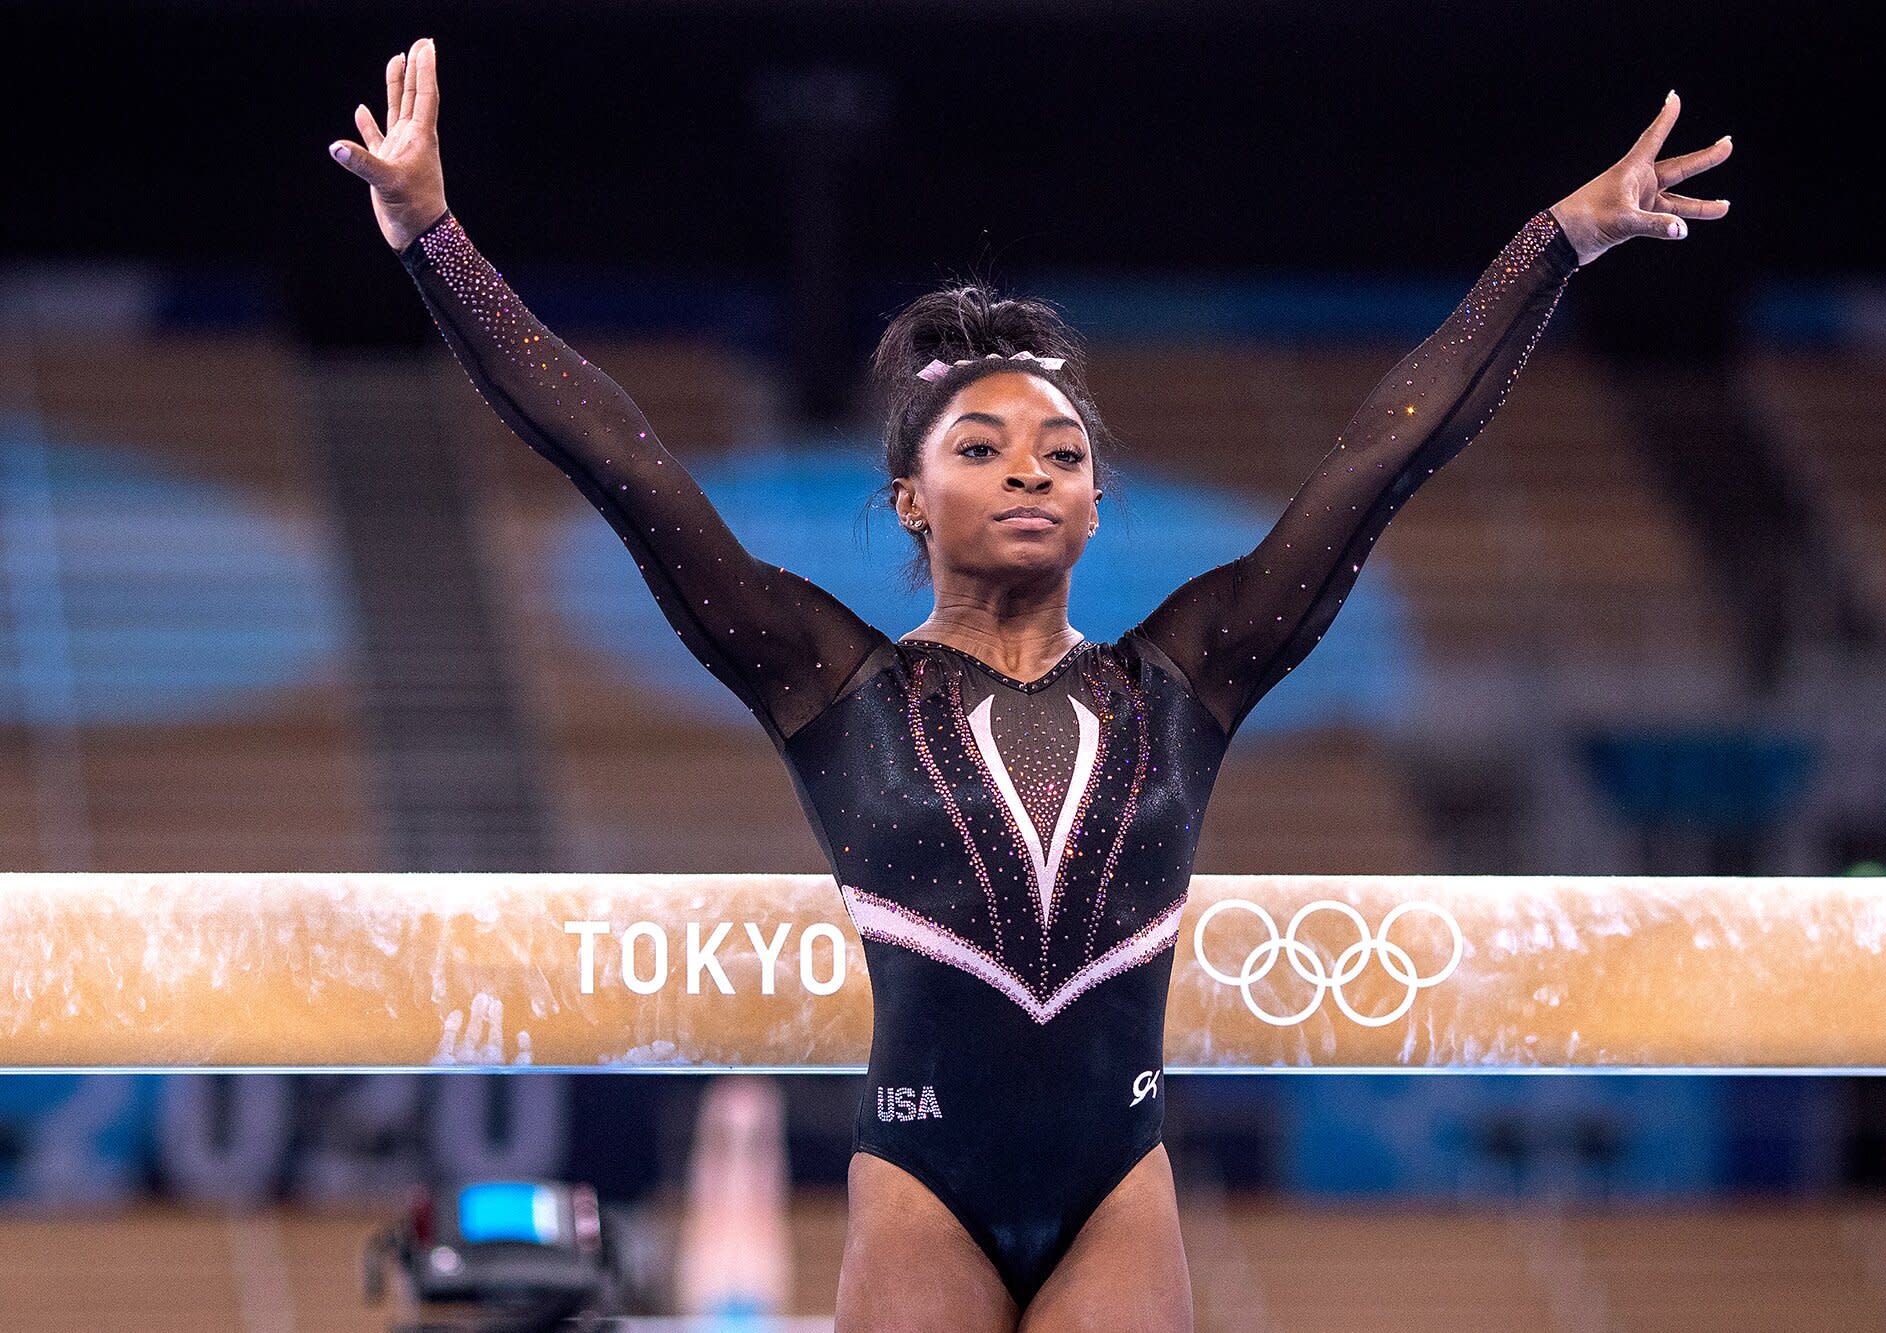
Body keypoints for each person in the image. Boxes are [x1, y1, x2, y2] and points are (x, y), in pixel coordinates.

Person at [330, 38, 1731, 1332]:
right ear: (907, 501)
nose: (1029, 470)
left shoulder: (1188, 676)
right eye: (983, 447)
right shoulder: (836, 687)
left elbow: (1380, 458)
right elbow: (623, 465)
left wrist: (1558, 242)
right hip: (920, 1185)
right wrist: (430, 239)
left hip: (1117, 1188)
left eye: (1061, 453)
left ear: (1099, 506)